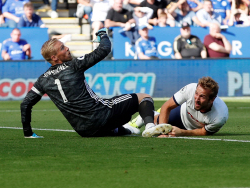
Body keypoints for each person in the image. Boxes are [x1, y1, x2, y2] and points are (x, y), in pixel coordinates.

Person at [20, 29, 172, 138]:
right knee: (143, 97)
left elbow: (25, 104)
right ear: (54, 57)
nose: (67, 48)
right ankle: (150, 126)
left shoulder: (42, 80)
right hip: (102, 115)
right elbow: (104, 49)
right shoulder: (73, 65)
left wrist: (28, 133)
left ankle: (129, 128)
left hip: (84, 131)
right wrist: (102, 34)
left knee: (117, 128)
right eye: (62, 48)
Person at [127, 77, 228, 137]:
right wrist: (163, 132)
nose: (196, 99)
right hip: (181, 113)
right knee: (157, 122)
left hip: (192, 128)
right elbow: (167, 106)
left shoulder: (220, 116)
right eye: (196, 94)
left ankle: (156, 114)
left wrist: (182, 132)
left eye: (202, 96)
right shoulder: (190, 88)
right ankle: (145, 117)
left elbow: (204, 132)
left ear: (212, 99)